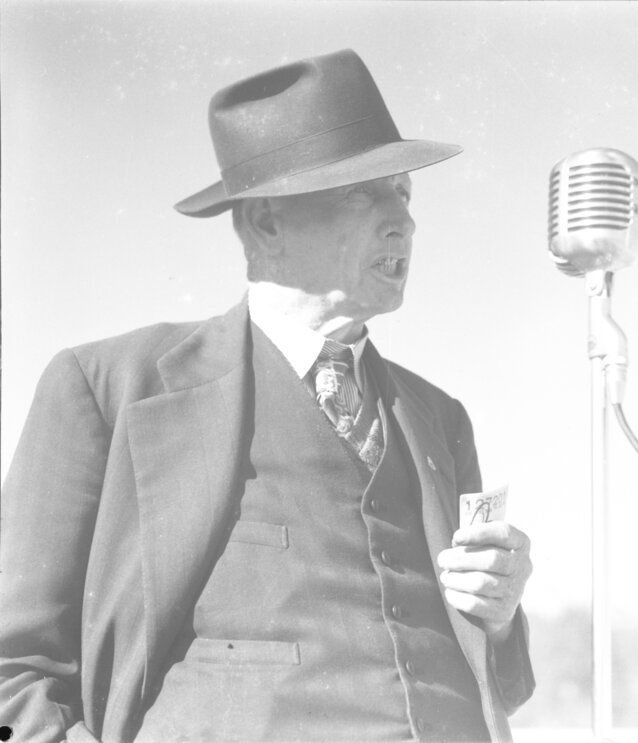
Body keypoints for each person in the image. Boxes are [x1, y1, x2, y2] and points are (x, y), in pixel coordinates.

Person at [0, 49, 535, 743]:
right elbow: (11, 670)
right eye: (363, 192)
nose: (402, 221)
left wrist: (497, 613)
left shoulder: (439, 419)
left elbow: (499, 684)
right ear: (264, 223)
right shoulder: (107, 388)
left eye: (402, 193)